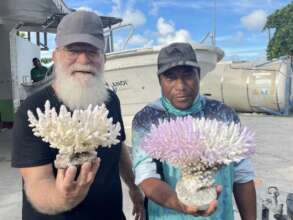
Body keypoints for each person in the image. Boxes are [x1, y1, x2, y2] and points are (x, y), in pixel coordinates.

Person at [12, 10, 144, 220]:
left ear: (104, 58)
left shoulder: (111, 99)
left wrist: (134, 188)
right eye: (73, 50)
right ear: (55, 56)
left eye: (92, 51)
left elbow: (118, 149)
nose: (83, 59)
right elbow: (36, 182)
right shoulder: (32, 109)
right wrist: (62, 198)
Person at [132, 42, 257, 220]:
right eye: (171, 78)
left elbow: (242, 174)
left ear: (198, 75)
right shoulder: (147, 118)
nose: (181, 86)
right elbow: (146, 176)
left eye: (188, 75)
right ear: (160, 80)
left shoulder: (223, 114)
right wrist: (180, 204)